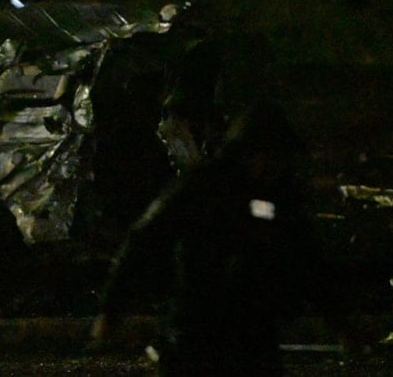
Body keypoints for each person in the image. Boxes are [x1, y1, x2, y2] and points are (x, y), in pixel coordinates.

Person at [93, 98, 348, 375]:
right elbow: (146, 238)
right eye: (265, 156)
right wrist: (112, 309)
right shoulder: (203, 187)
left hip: (253, 335)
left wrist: (341, 324)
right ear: (247, 153)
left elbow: (308, 260)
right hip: (196, 331)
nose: (271, 167)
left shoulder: (280, 197)